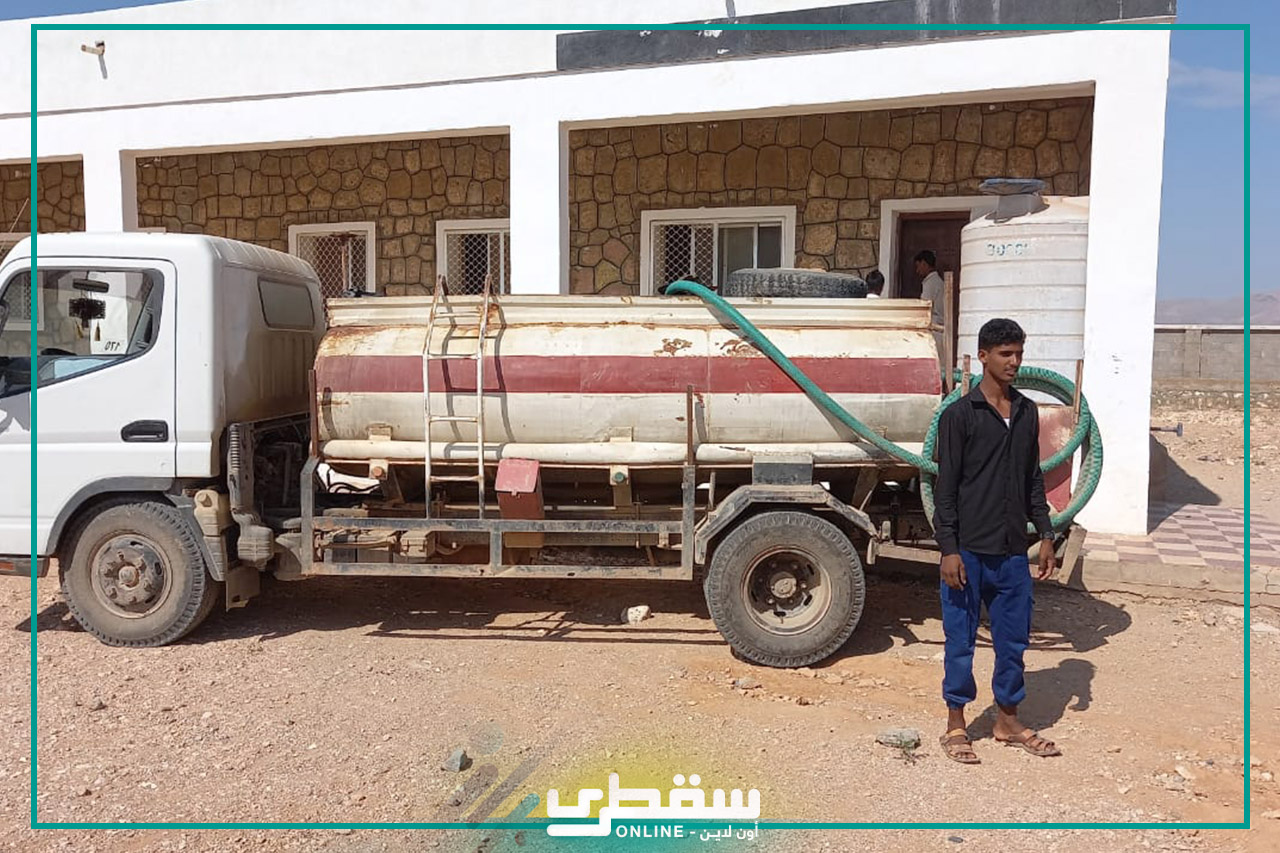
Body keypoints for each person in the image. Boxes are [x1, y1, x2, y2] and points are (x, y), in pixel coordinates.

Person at [932, 317, 1061, 764]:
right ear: (983, 356)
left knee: (1013, 642)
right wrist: (948, 549)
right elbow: (946, 489)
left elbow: (1032, 478)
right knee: (960, 642)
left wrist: (1045, 533)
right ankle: (956, 723)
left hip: (1011, 554)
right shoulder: (959, 416)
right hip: (967, 552)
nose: (1014, 362)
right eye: (1006, 354)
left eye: (1019, 354)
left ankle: (1007, 720)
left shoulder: (1026, 412)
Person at [914, 250, 946, 363]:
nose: (917, 270)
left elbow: (924, 307)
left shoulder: (931, 283)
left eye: (918, 266)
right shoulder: (937, 282)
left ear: (924, 263)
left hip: (935, 329)